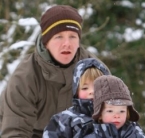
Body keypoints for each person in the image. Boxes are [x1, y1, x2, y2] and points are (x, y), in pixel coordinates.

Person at [0, 5, 109, 138]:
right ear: (46, 42)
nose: (67, 43)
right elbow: (15, 131)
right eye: (59, 37)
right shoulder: (25, 77)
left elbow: (115, 119)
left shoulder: (96, 71)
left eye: (73, 36)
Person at [42, 58, 110, 138]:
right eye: (85, 88)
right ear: (76, 91)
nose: (92, 91)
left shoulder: (118, 114)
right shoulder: (63, 120)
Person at [81, 75, 145, 138]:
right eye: (110, 111)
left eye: (122, 111)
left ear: (127, 113)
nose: (117, 115)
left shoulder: (135, 134)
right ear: (100, 114)